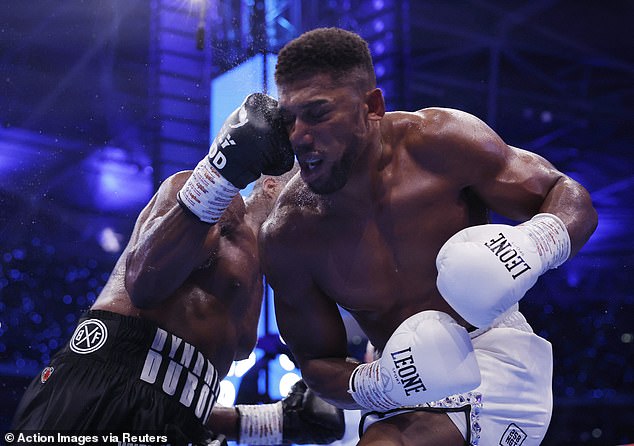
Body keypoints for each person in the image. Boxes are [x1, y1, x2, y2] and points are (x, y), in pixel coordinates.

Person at [259, 28, 598, 446]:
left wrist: (535, 243)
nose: (299, 135)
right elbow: (315, 362)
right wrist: (378, 383)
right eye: (289, 118)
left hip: (497, 353)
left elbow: (567, 195)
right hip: (402, 384)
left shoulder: (440, 143)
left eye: (317, 113)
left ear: (372, 106)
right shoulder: (288, 234)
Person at [12, 93, 345, 445]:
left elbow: (175, 393)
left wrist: (273, 423)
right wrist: (222, 170)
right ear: (272, 184)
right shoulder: (222, 208)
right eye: (314, 189)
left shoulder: (269, 275)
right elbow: (143, 281)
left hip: (180, 418)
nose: (323, 206)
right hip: (103, 389)